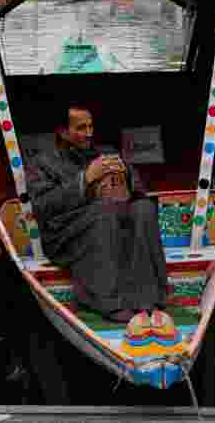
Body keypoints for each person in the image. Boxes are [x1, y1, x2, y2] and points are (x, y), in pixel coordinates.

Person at [26, 104, 169, 324]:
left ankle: (149, 298)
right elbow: (43, 206)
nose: (89, 133)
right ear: (63, 132)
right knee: (104, 210)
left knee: (144, 209)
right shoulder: (43, 163)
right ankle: (106, 301)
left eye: (91, 126)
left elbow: (138, 190)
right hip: (65, 234)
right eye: (81, 127)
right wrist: (85, 179)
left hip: (115, 220)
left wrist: (125, 180)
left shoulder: (106, 152)